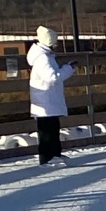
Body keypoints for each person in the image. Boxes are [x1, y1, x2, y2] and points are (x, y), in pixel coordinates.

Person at [26, 24, 75, 167]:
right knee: (47, 131)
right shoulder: (43, 58)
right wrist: (68, 69)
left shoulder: (45, 56)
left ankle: (55, 153)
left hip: (48, 99)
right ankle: (47, 157)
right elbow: (52, 77)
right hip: (46, 101)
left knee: (52, 128)